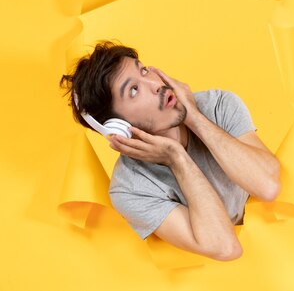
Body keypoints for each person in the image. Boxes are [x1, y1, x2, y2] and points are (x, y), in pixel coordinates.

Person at [59, 40, 281, 261]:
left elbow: (269, 186)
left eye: (144, 70)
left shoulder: (217, 105)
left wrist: (194, 117)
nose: (154, 84)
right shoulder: (130, 189)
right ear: (118, 128)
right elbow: (225, 247)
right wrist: (177, 158)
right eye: (134, 90)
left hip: (281, 241)